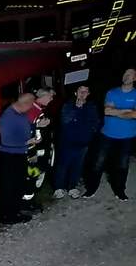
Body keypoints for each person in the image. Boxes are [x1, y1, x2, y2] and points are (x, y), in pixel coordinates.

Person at [85, 68, 136, 201]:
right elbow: (107, 111)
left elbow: (135, 114)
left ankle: (120, 191)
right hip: (107, 134)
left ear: (135, 78)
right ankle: (91, 189)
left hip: (127, 136)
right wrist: (127, 111)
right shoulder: (112, 92)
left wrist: (118, 111)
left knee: (123, 165)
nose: (126, 76)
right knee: (98, 163)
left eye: (130, 74)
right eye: (125, 73)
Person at [53, 84, 101, 199]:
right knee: (63, 166)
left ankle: (72, 187)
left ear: (88, 94)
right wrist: (77, 109)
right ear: (75, 93)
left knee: (77, 166)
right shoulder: (68, 106)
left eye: (86, 91)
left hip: (83, 143)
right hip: (67, 143)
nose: (83, 93)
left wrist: (90, 132)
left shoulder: (91, 107)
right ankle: (58, 188)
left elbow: (96, 122)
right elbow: (65, 121)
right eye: (80, 91)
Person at [0, 94, 36, 223]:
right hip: (10, 156)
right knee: (9, 187)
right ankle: (7, 215)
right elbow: (7, 141)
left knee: (18, 185)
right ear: (24, 103)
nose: (30, 109)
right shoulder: (8, 117)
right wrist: (27, 142)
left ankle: (15, 211)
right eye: (30, 105)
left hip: (19, 154)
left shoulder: (20, 114)